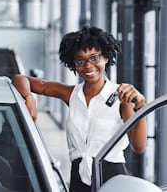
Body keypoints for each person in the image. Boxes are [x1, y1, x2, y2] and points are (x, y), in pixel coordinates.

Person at [12, 26, 147, 192]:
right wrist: (29, 98)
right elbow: (20, 79)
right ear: (74, 64)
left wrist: (140, 105)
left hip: (112, 180)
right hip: (78, 181)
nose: (88, 66)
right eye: (80, 61)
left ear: (105, 57)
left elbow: (139, 146)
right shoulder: (71, 94)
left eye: (94, 58)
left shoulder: (121, 96)